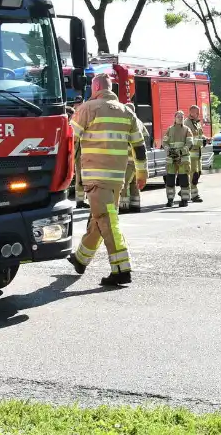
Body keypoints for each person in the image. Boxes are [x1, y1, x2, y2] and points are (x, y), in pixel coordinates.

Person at [67, 72, 147, 286]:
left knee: (106, 220)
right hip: (116, 180)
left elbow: (70, 142)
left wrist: (64, 172)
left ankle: (122, 269)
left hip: (95, 178)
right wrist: (142, 173)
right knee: (99, 218)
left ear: (95, 88)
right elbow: (139, 147)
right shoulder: (126, 112)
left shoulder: (86, 109)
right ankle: (80, 259)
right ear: (111, 88)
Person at [118, 102, 149, 213]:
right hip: (137, 160)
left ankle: (124, 206)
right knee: (134, 184)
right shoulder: (139, 122)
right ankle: (135, 205)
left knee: (124, 182)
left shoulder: (127, 122)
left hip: (129, 159)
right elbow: (145, 138)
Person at [162, 111, 194, 208]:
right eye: (178, 116)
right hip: (171, 159)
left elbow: (190, 144)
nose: (180, 118)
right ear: (175, 118)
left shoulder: (187, 130)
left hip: (183, 159)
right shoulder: (169, 129)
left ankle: (184, 200)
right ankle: (170, 200)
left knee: (184, 180)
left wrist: (180, 152)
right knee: (170, 180)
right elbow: (164, 142)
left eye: (182, 117)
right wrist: (168, 149)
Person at [185, 105, 206, 203]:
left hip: (198, 153)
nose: (198, 114)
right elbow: (190, 140)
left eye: (199, 112)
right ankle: (194, 195)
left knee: (199, 173)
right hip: (191, 153)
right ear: (191, 112)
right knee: (194, 174)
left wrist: (205, 138)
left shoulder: (197, 123)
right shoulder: (187, 124)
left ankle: (185, 190)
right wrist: (202, 142)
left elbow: (200, 135)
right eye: (197, 113)